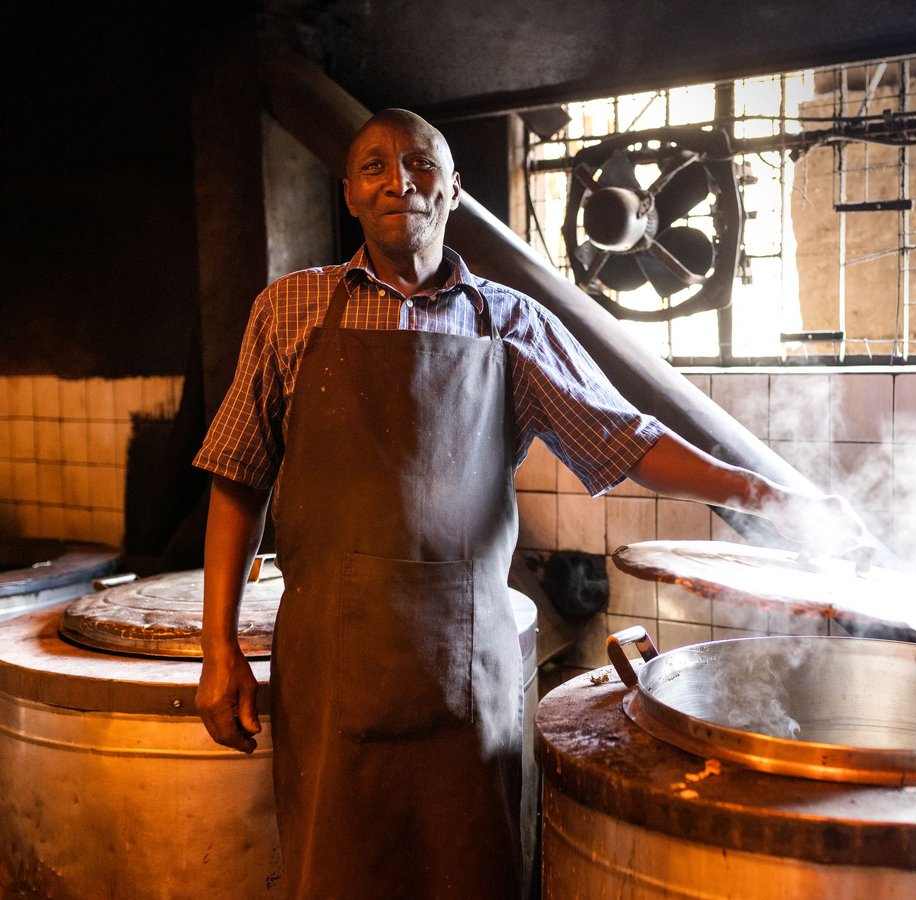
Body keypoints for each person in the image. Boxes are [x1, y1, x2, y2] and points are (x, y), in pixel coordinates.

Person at [194, 108, 867, 898]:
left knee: (469, 873)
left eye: (419, 163)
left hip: (468, 668)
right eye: (374, 166)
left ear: (453, 188)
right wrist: (218, 649)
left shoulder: (511, 323)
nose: (398, 182)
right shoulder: (290, 310)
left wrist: (772, 495)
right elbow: (237, 477)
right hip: (325, 665)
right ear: (349, 193)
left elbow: (626, 438)